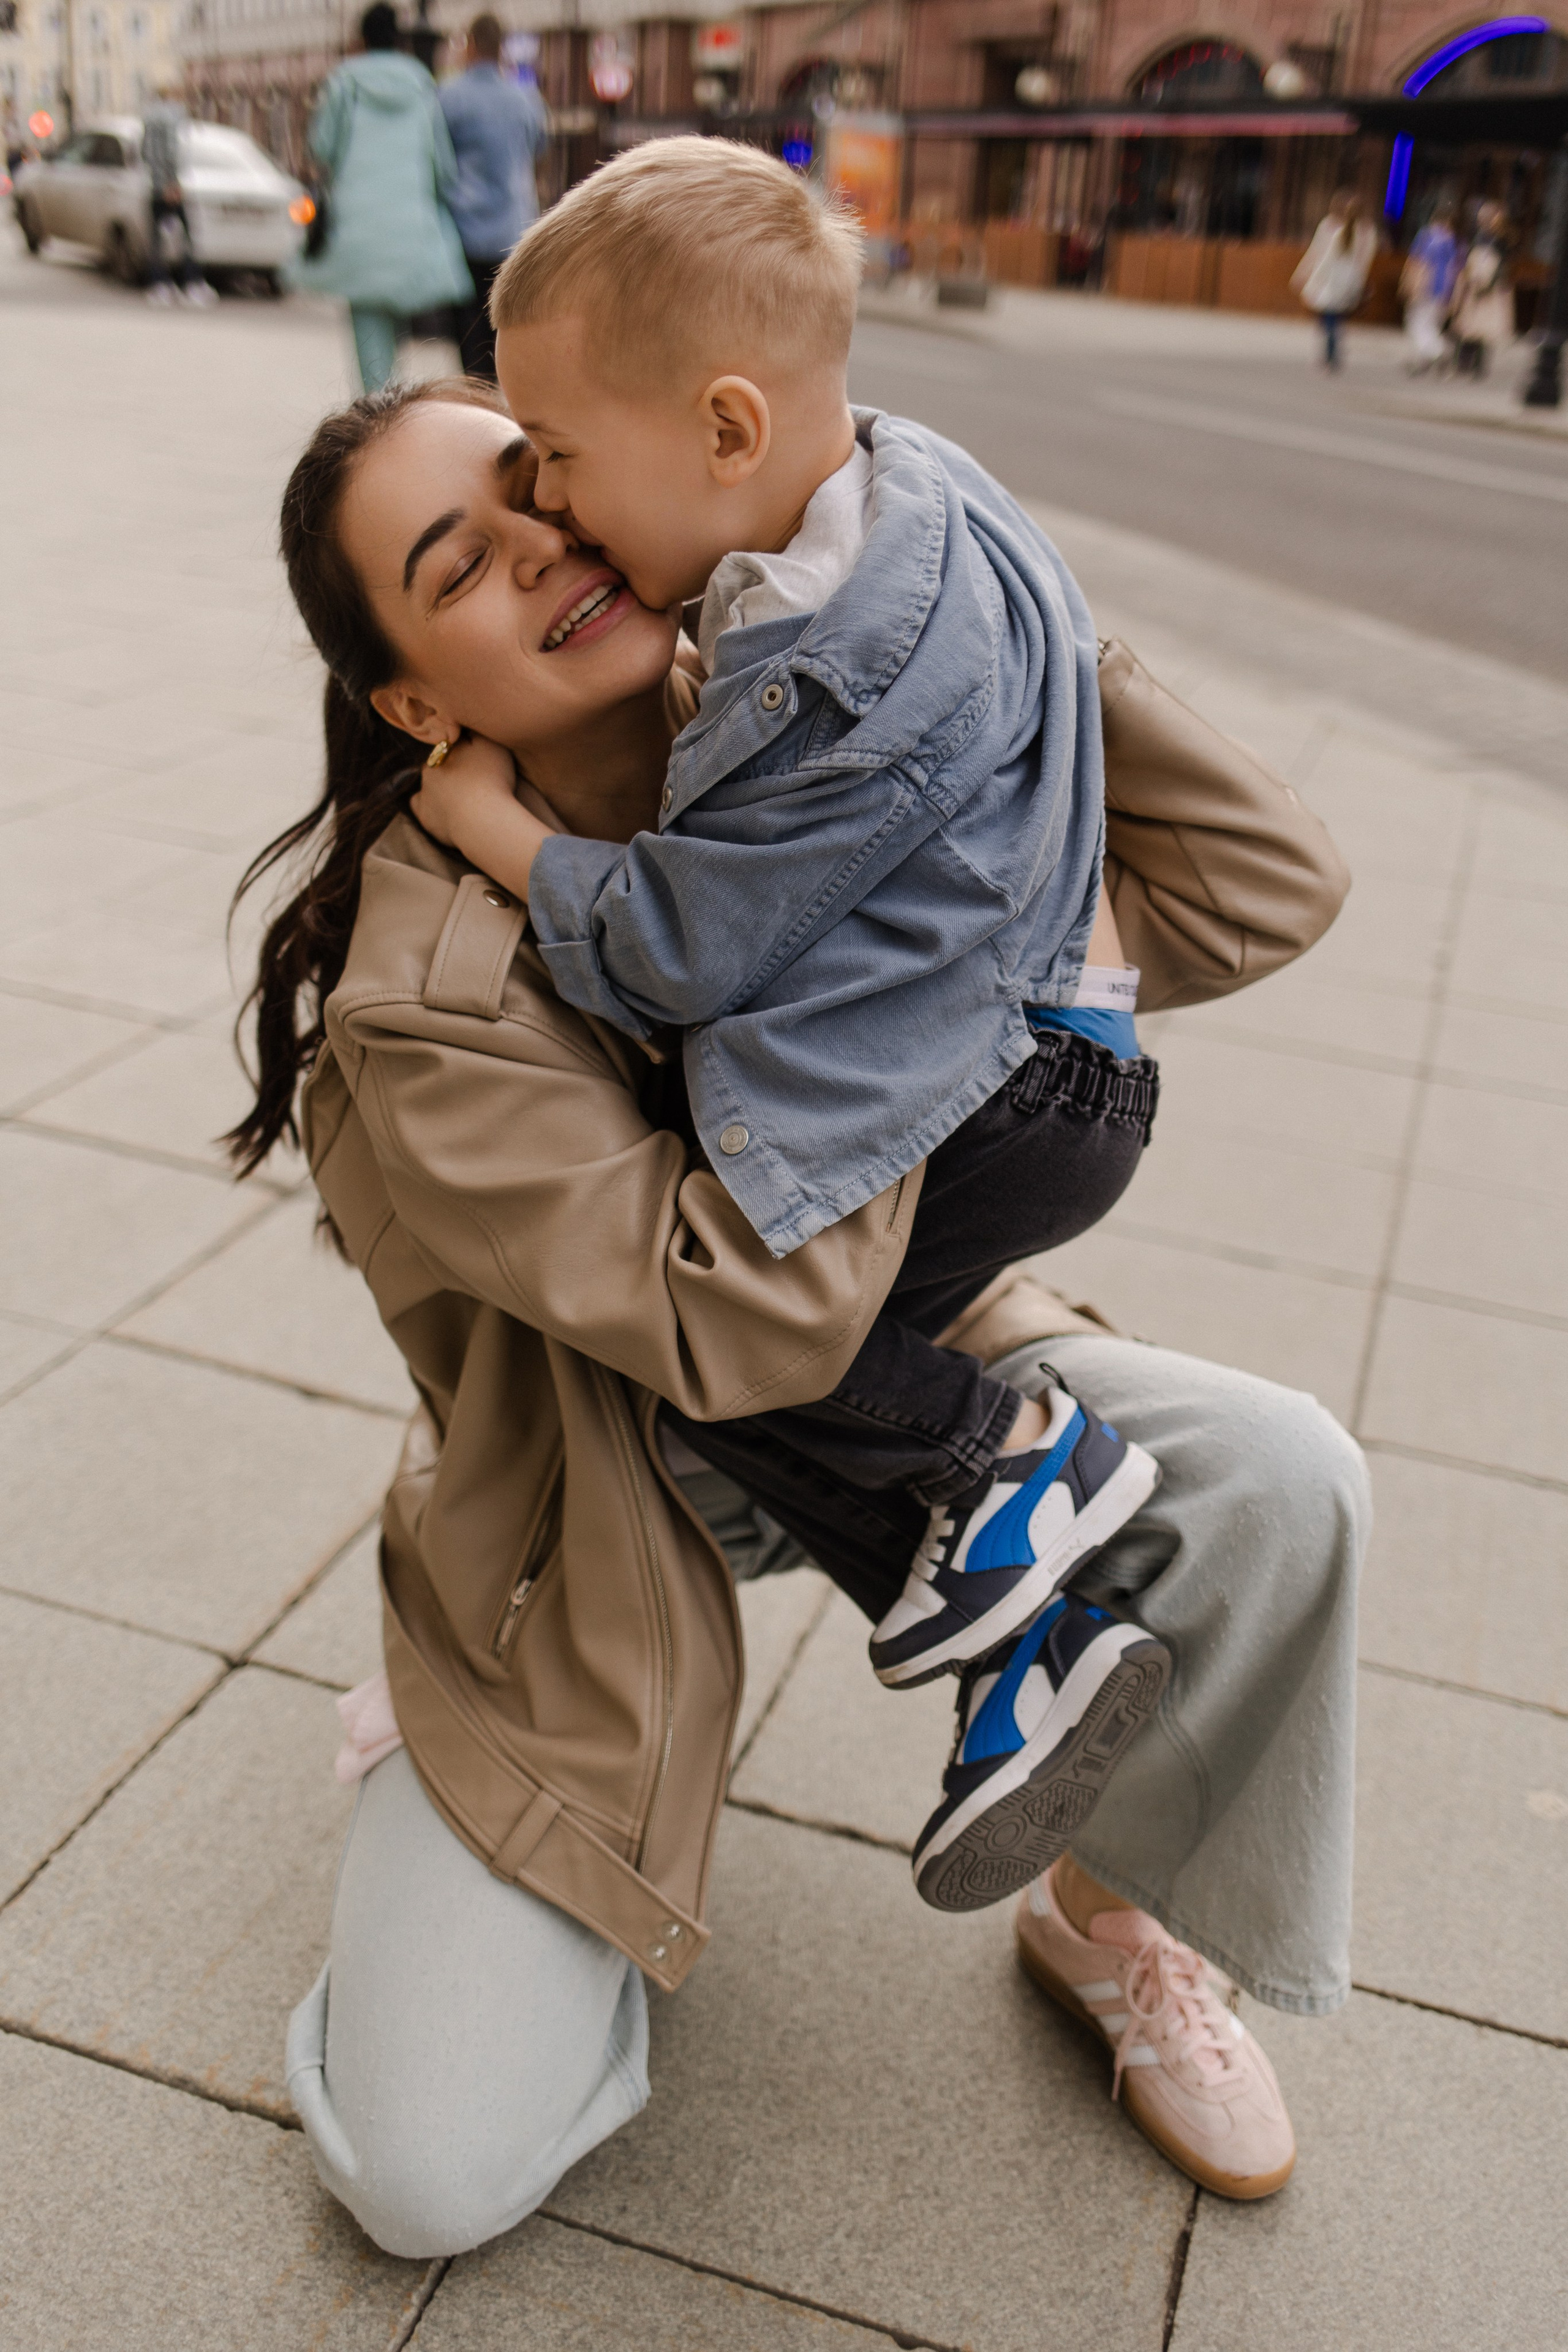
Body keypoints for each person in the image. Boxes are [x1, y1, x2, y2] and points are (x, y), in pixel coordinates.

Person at [226, 377, 1366, 2250]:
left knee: (1287, 1477)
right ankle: (458, 1739)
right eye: (463, 564)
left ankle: (1109, 1915)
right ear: (417, 705)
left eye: (543, 493)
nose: (544, 552)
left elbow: (1256, 882)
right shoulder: (419, 988)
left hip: (892, 1369)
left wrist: (962, 592)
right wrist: (930, 1015)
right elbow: (718, 1318)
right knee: (425, 2174)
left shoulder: (815, 712)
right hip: (601, 1487)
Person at [411, 139, 1335, 1908]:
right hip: (1055, 1058)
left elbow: (682, 945)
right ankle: (1021, 1660)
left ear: (730, 434)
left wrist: (505, 836)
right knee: (764, 1371)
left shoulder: (830, 676)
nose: (552, 496)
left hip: (1001, 1099)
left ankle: (1015, 1457)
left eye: (564, 455)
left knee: (708, 1339)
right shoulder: (905, 479)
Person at [292, 1, 472, 393]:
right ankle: (393, 401)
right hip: (411, 224)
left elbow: (321, 150)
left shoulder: (345, 83)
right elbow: (443, 164)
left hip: (359, 225)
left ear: (361, 39)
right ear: (399, 39)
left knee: (368, 323)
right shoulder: (423, 84)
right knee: (399, 320)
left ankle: (376, 407)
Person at [438, 13, 549, 382]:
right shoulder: (526, 100)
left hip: (464, 227)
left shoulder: (449, 98)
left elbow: (437, 161)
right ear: (502, 48)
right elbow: (538, 152)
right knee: (501, 327)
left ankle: (475, 393)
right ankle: (497, 401)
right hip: (512, 230)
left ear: (469, 45)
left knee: (467, 329)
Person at [140, 83, 217, 309]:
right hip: (170, 186)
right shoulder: (172, 118)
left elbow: (146, 152)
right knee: (186, 239)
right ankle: (192, 284)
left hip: (155, 185)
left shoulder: (149, 119)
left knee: (157, 240)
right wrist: (172, 183)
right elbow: (172, 152)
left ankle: (159, 285)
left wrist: (158, 181)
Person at [1292, 187, 1378, 370]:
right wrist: (1360, 282)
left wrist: (1310, 276)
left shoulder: (1338, 231)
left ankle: (1330, 354)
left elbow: (1323, 256)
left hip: (1332, 277)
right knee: (1336, 317)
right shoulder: (1366, 232)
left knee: (1328, 316)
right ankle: (1333, 353)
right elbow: (1366, 260)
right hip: (1351, 279)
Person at [1451, 201, 1513, 379]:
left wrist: (1490, 285)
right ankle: (1462, 362)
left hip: (1489, 290)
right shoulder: (1477, 237)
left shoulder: (1502, 241)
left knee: (1484, 329)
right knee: (1466, 326)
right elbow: (1469, 260)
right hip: (1473, 285)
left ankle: (1479, 366)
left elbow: (1502, 266)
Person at [1400, 203, 1458, 374]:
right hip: (1443, 287)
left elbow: (1416, 260)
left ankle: (1437, 351)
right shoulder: (1451, 240)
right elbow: (1453, 267)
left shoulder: (1427, 235)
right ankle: (1429, 356)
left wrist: (1408, 282)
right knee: (1432, 323)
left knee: (1416, 322)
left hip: (1424, 284)